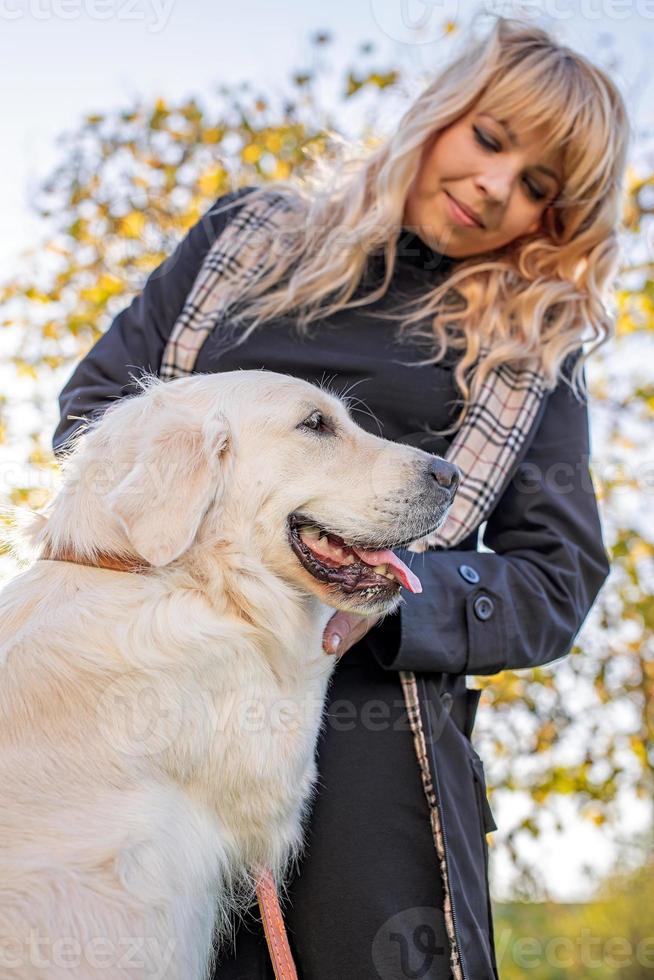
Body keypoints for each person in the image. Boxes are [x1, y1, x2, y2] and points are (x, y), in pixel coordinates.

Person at [51, 15, 629, 980]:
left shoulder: (532, 351)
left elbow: (556, 577)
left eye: (538, 186)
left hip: (367, 751)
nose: (496, 188)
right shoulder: (241, 239)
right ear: (441, 115)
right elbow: (98, 414)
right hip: (133, 702)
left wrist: (396, 595)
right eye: (491, 139)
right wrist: (219, 553)